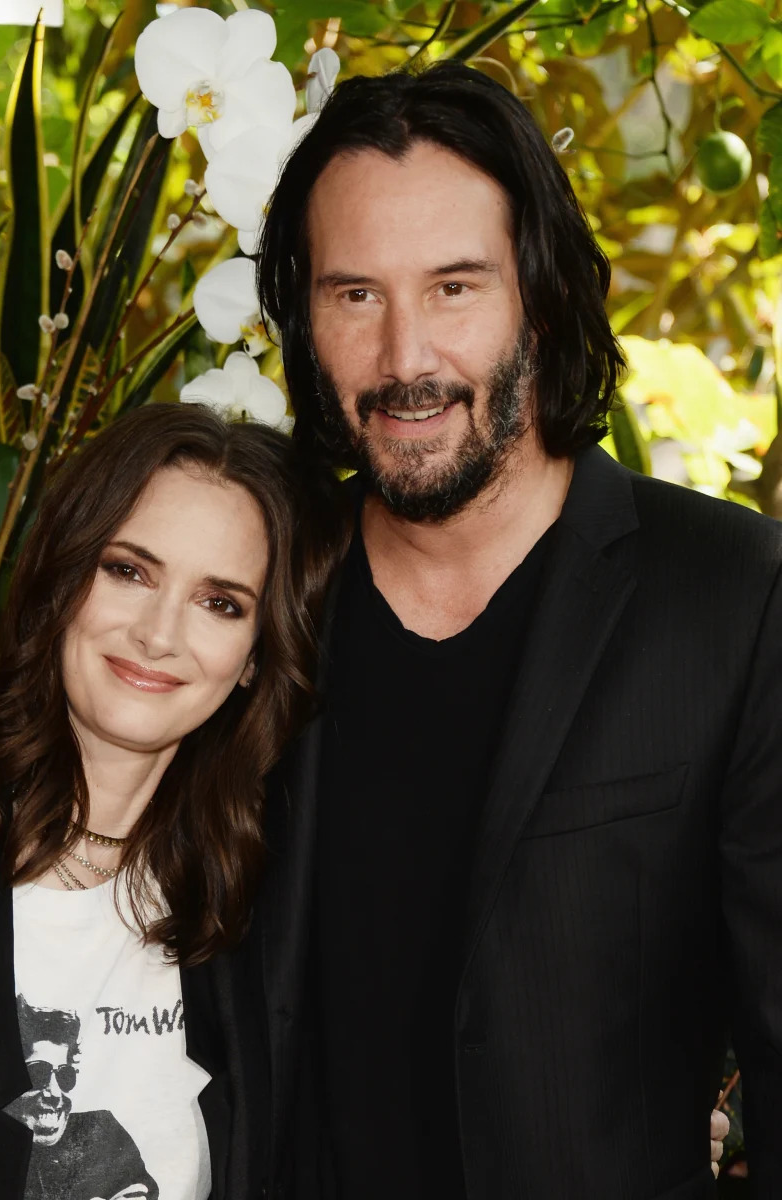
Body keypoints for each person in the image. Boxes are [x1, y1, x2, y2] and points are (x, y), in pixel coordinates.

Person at [251, 61, 777, 1198]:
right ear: (303, 319)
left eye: (454, 287)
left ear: (536, 293)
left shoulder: (732, 597)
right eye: (355, 295)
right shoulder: (257, 595)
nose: (404, 360)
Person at [0, 403, 342, 1200]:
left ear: (254, 658)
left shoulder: (254, 906)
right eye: (129, 570)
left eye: (221, 603)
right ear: (64, 576)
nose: (158, 634)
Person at [8, 997, 159, 1200]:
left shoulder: (99, 1131)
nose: (54, 1092)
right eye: (38, 1074)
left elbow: (139, 1189)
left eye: (64, 1076)